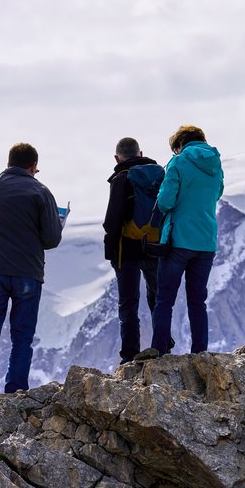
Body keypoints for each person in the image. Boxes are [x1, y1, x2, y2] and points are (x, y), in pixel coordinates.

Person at [0, 142, 63, 396]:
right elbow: (51, 239)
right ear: (34, 167)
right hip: (27, 272)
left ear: (8, 162)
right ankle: (16, 389)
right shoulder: (41, 192)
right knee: (22, 335)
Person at [150, 125, 224, 355]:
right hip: (206, 242)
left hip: (179, 241)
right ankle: (200, 353)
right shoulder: (216, 165)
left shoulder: (178, 162)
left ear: (180, 145)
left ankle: (159, 351)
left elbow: (165, 201)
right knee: (197, 302)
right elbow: (218, 193)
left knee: (165, 299)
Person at [103, 137, 165, 364]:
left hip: (127, 249)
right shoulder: (160, 175)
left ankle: (129, 354)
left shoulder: (121, 178)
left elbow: (113, 219)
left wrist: (110, 251)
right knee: (158, 299)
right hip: (156, 246)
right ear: (141, 153)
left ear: (117, 158)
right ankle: (163, 346)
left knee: (128, 304)